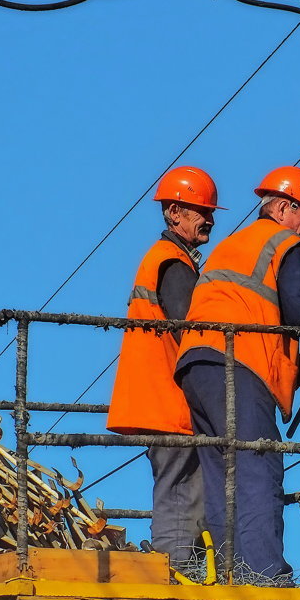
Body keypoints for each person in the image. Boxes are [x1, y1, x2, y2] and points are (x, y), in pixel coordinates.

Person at [175, 166, 300, 583]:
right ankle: (266, 575)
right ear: (285, 207)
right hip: (237, 363)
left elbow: (253, 314)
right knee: (257, 467)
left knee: (220, 472)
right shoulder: (285, 244)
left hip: (197, 365)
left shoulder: (234, 245)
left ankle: (229, 573)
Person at [106, 165, 224, 568]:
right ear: (174, 212)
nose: (208, 219)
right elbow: (193, 331)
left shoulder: (169, 261)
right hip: (168, 403)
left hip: (165, 401)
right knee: (179, 499)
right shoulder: (171, 263)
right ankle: (174, 580)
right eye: (200, 211)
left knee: (189, 498)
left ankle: (184, 575)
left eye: (210, 211)